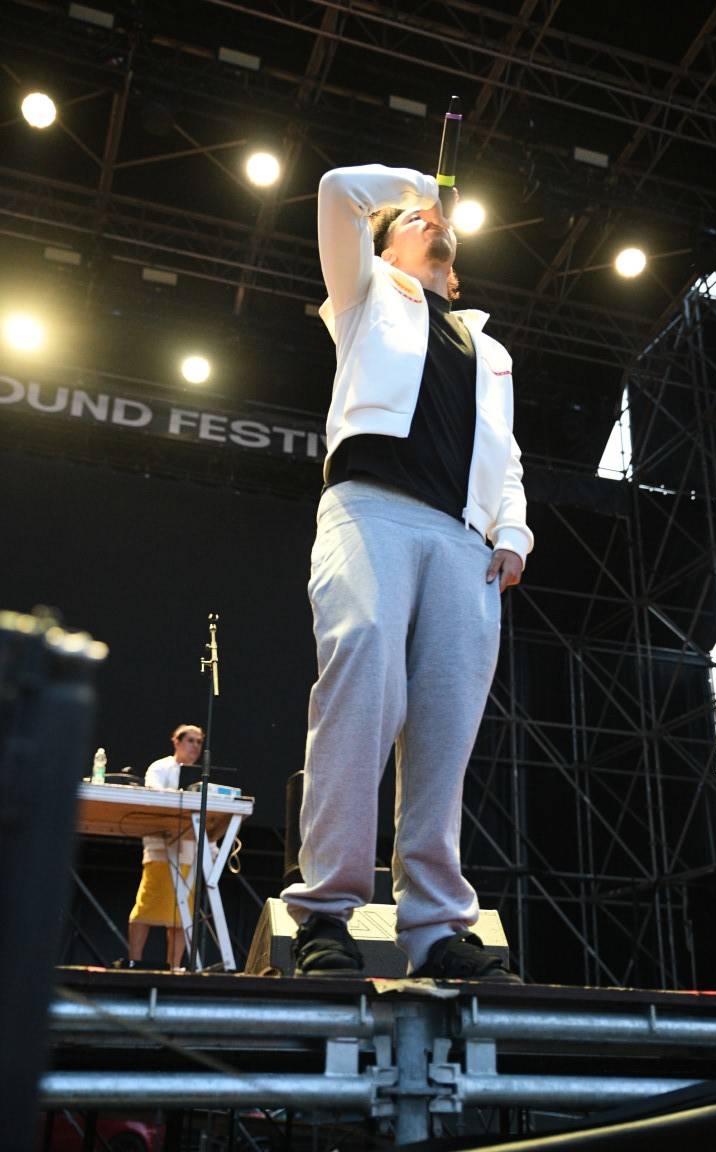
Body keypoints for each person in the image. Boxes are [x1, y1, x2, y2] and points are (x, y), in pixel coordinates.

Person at [281, 163, 533, 981]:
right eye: (413, 223)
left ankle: (435, 931)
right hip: (371, 509)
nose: (431, 225)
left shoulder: (491, 349)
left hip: (463, 541)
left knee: (445, 723)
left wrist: (513, 532)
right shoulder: (364, 294)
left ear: (457, 273)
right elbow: (335, 190)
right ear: (385, 245)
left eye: (438, 225)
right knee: (361, 672)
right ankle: (326, 912)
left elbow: (506, 456)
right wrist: (421, 189)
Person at [127, 724, 205, 968]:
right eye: (191, 740)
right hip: (161, 850)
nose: (195, 746)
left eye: (199, 742)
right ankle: (134, 962)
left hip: (188, 853)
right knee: (145, 909)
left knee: (181, 918)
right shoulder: (159, 768)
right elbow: (154, 797)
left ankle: (174, 968)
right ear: (177, 742)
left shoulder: (201, 778)